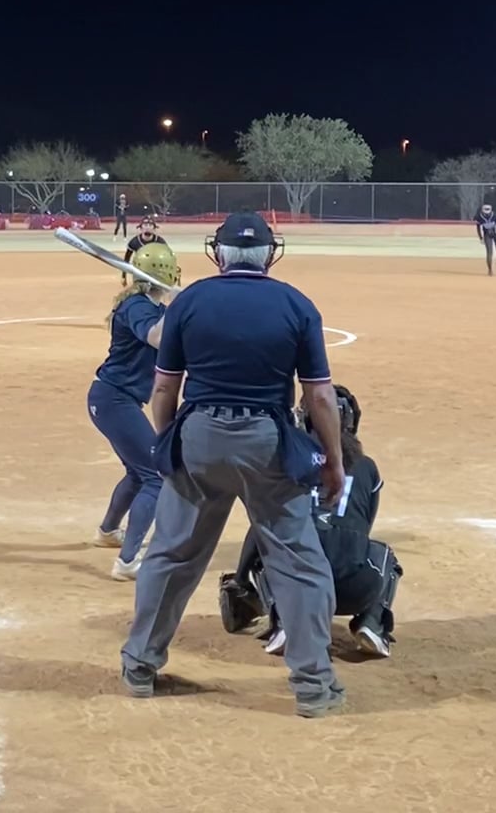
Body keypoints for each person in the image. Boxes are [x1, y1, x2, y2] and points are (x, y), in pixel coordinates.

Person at [121, 211, 348, 718]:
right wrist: (333, 460)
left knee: (172, 555)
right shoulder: (296, 304)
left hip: (200, 436)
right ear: (269, 254)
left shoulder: (190, 301)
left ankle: (139, 666)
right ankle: (313, 686)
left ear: (218, 254)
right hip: (267, 441)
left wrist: (169, 444)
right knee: (298, 563)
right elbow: (319, 397)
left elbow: (164, 387)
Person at [218, 384, 402, 659]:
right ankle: (372, 623)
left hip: (300, 585)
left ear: (304, 420)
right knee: (382, 553)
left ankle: (285, 622)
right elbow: (361, 528)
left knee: (273, 538)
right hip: (355, 588)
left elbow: (261, 527)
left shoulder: (289, 461)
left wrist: (241, 580)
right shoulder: (367, 466)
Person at [89, 242, 180, 580]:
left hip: (115, 400)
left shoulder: (149, 306)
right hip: (115, 401)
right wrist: (177, 307)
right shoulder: (138, 307)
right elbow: (157, 338)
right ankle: (127, 562)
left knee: (138, 472)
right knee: (157, 476)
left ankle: (108, 532)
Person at [121, 218, 164, 285]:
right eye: (145, 225)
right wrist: (123, 276)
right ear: (140, 228)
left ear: (154, 229)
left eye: (150, 225)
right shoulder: (134, 242)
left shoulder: (160, 242)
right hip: (140, 271)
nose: (148, 227)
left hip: (155, 271)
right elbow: (126, 259)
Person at [475, 202, 496, 275]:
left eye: (488, 210)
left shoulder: (495, 215)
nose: (487, 213)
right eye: (485, 210)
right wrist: (480, 237)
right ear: (482, 210)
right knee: (489, 252)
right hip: (487, 234)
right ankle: (490, 269)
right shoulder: (479, 217)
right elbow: (478, 227)